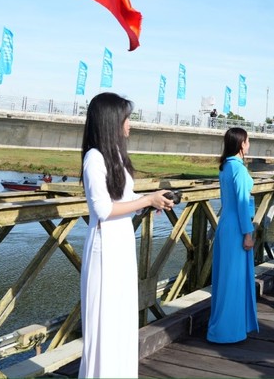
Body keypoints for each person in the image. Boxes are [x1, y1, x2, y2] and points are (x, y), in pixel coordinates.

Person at [79, 92, 174, 378]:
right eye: (127, 118)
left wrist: (152, 199)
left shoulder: (117, 156)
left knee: (121, 317)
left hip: (121, 245)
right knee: (105, 321)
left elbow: (125, 198)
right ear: (111, 121)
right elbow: (103, 209)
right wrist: (146, 201)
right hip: (105, 248)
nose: (130, 124)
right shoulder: (94, 158)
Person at [207, 127, 259, 343]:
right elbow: (240, 202)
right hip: (237, 226)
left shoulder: (226, 166)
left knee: (227, 277)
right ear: (241, 144)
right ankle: (227, 330)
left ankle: (229, 326)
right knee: (234, 278)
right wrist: (248, 232)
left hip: (227, 224)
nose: (248, 145)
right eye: (247, 141)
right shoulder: (237, 168)